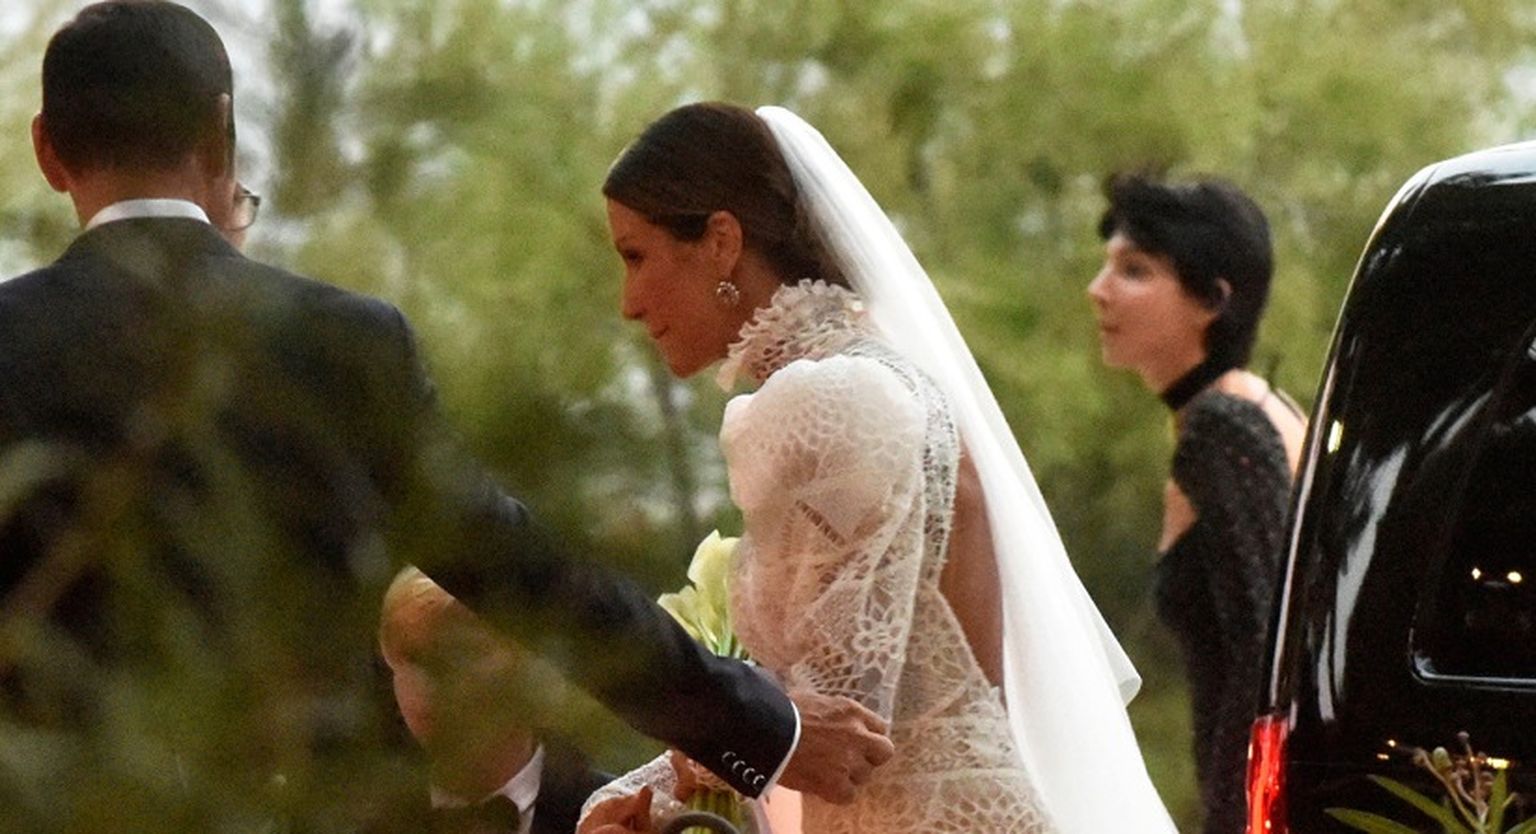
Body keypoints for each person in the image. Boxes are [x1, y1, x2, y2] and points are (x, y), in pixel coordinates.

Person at [0, 2, 890, 825]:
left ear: (46, 149)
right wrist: (760, 728)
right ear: (220, 133)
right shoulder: (341, 341)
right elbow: (519, 571)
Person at [578, 102, 1177, 834]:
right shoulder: (886, 383)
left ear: (721, 242)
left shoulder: (827, 402)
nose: (629, 304)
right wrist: (648, 793)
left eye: (636, 256)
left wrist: (654, 784)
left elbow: (843, 725)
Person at [1088, 172, 1305, 834]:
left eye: (1134, 270)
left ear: (1212, 299)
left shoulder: (1224, 429)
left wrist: (1237, 818)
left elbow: (1263, 652)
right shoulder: (1253, 407)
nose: (1099, 289)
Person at [378, 566, 609, 834]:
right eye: (408, 659)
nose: (424, 684)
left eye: (457, 654)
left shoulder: (624, 814)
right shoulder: (372, 824)